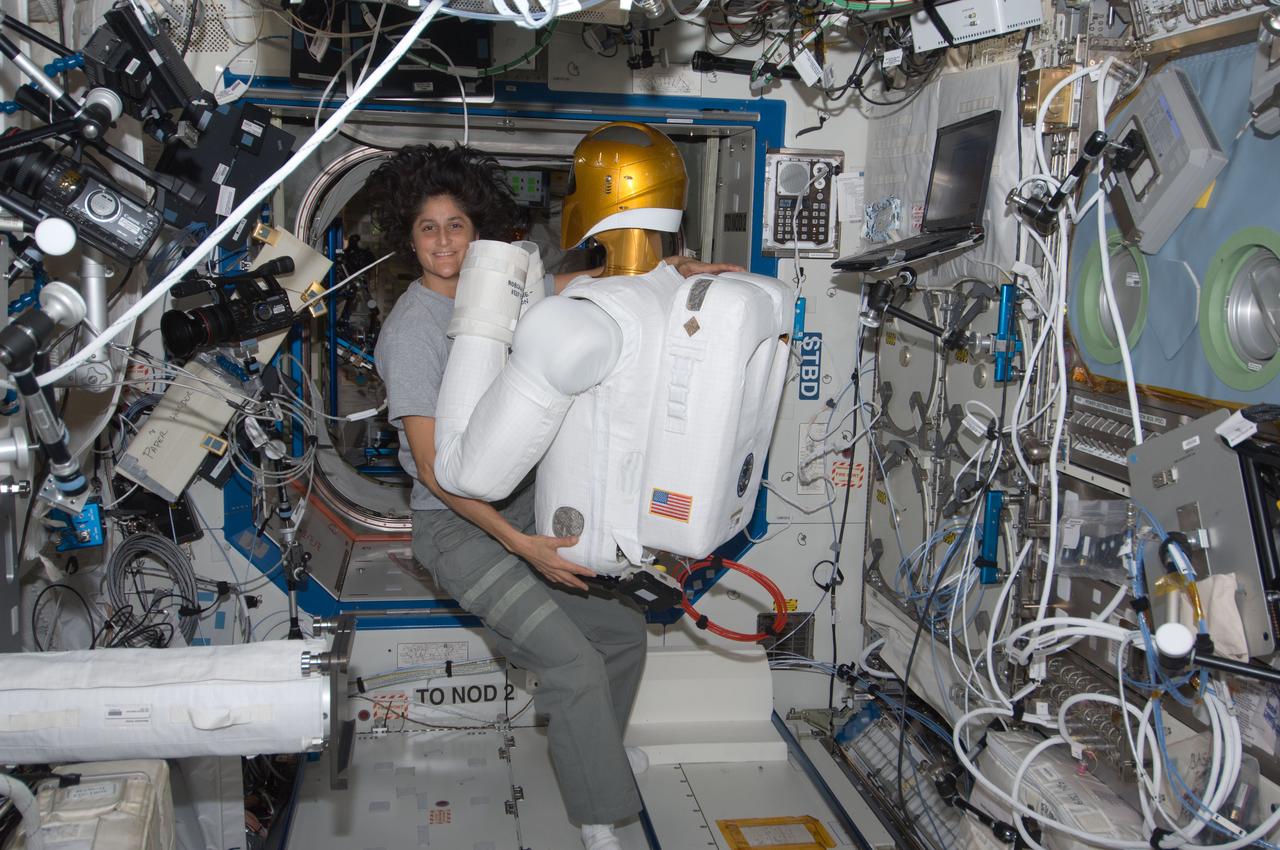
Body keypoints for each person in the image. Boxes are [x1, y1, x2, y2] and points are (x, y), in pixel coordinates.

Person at [367, 142, 742, 850]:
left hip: (520, 515)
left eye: (456, 225)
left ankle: (593, 754)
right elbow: (439, 471)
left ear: (476, 232)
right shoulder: (413, 332)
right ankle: (597, 813)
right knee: (572, 663)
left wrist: (677, 273)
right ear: (408, 240)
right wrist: (523, 546)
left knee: (621, 636)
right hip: (459, 531)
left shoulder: (500, 291)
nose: (444, 241)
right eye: (428, 228)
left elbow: (579, 286)